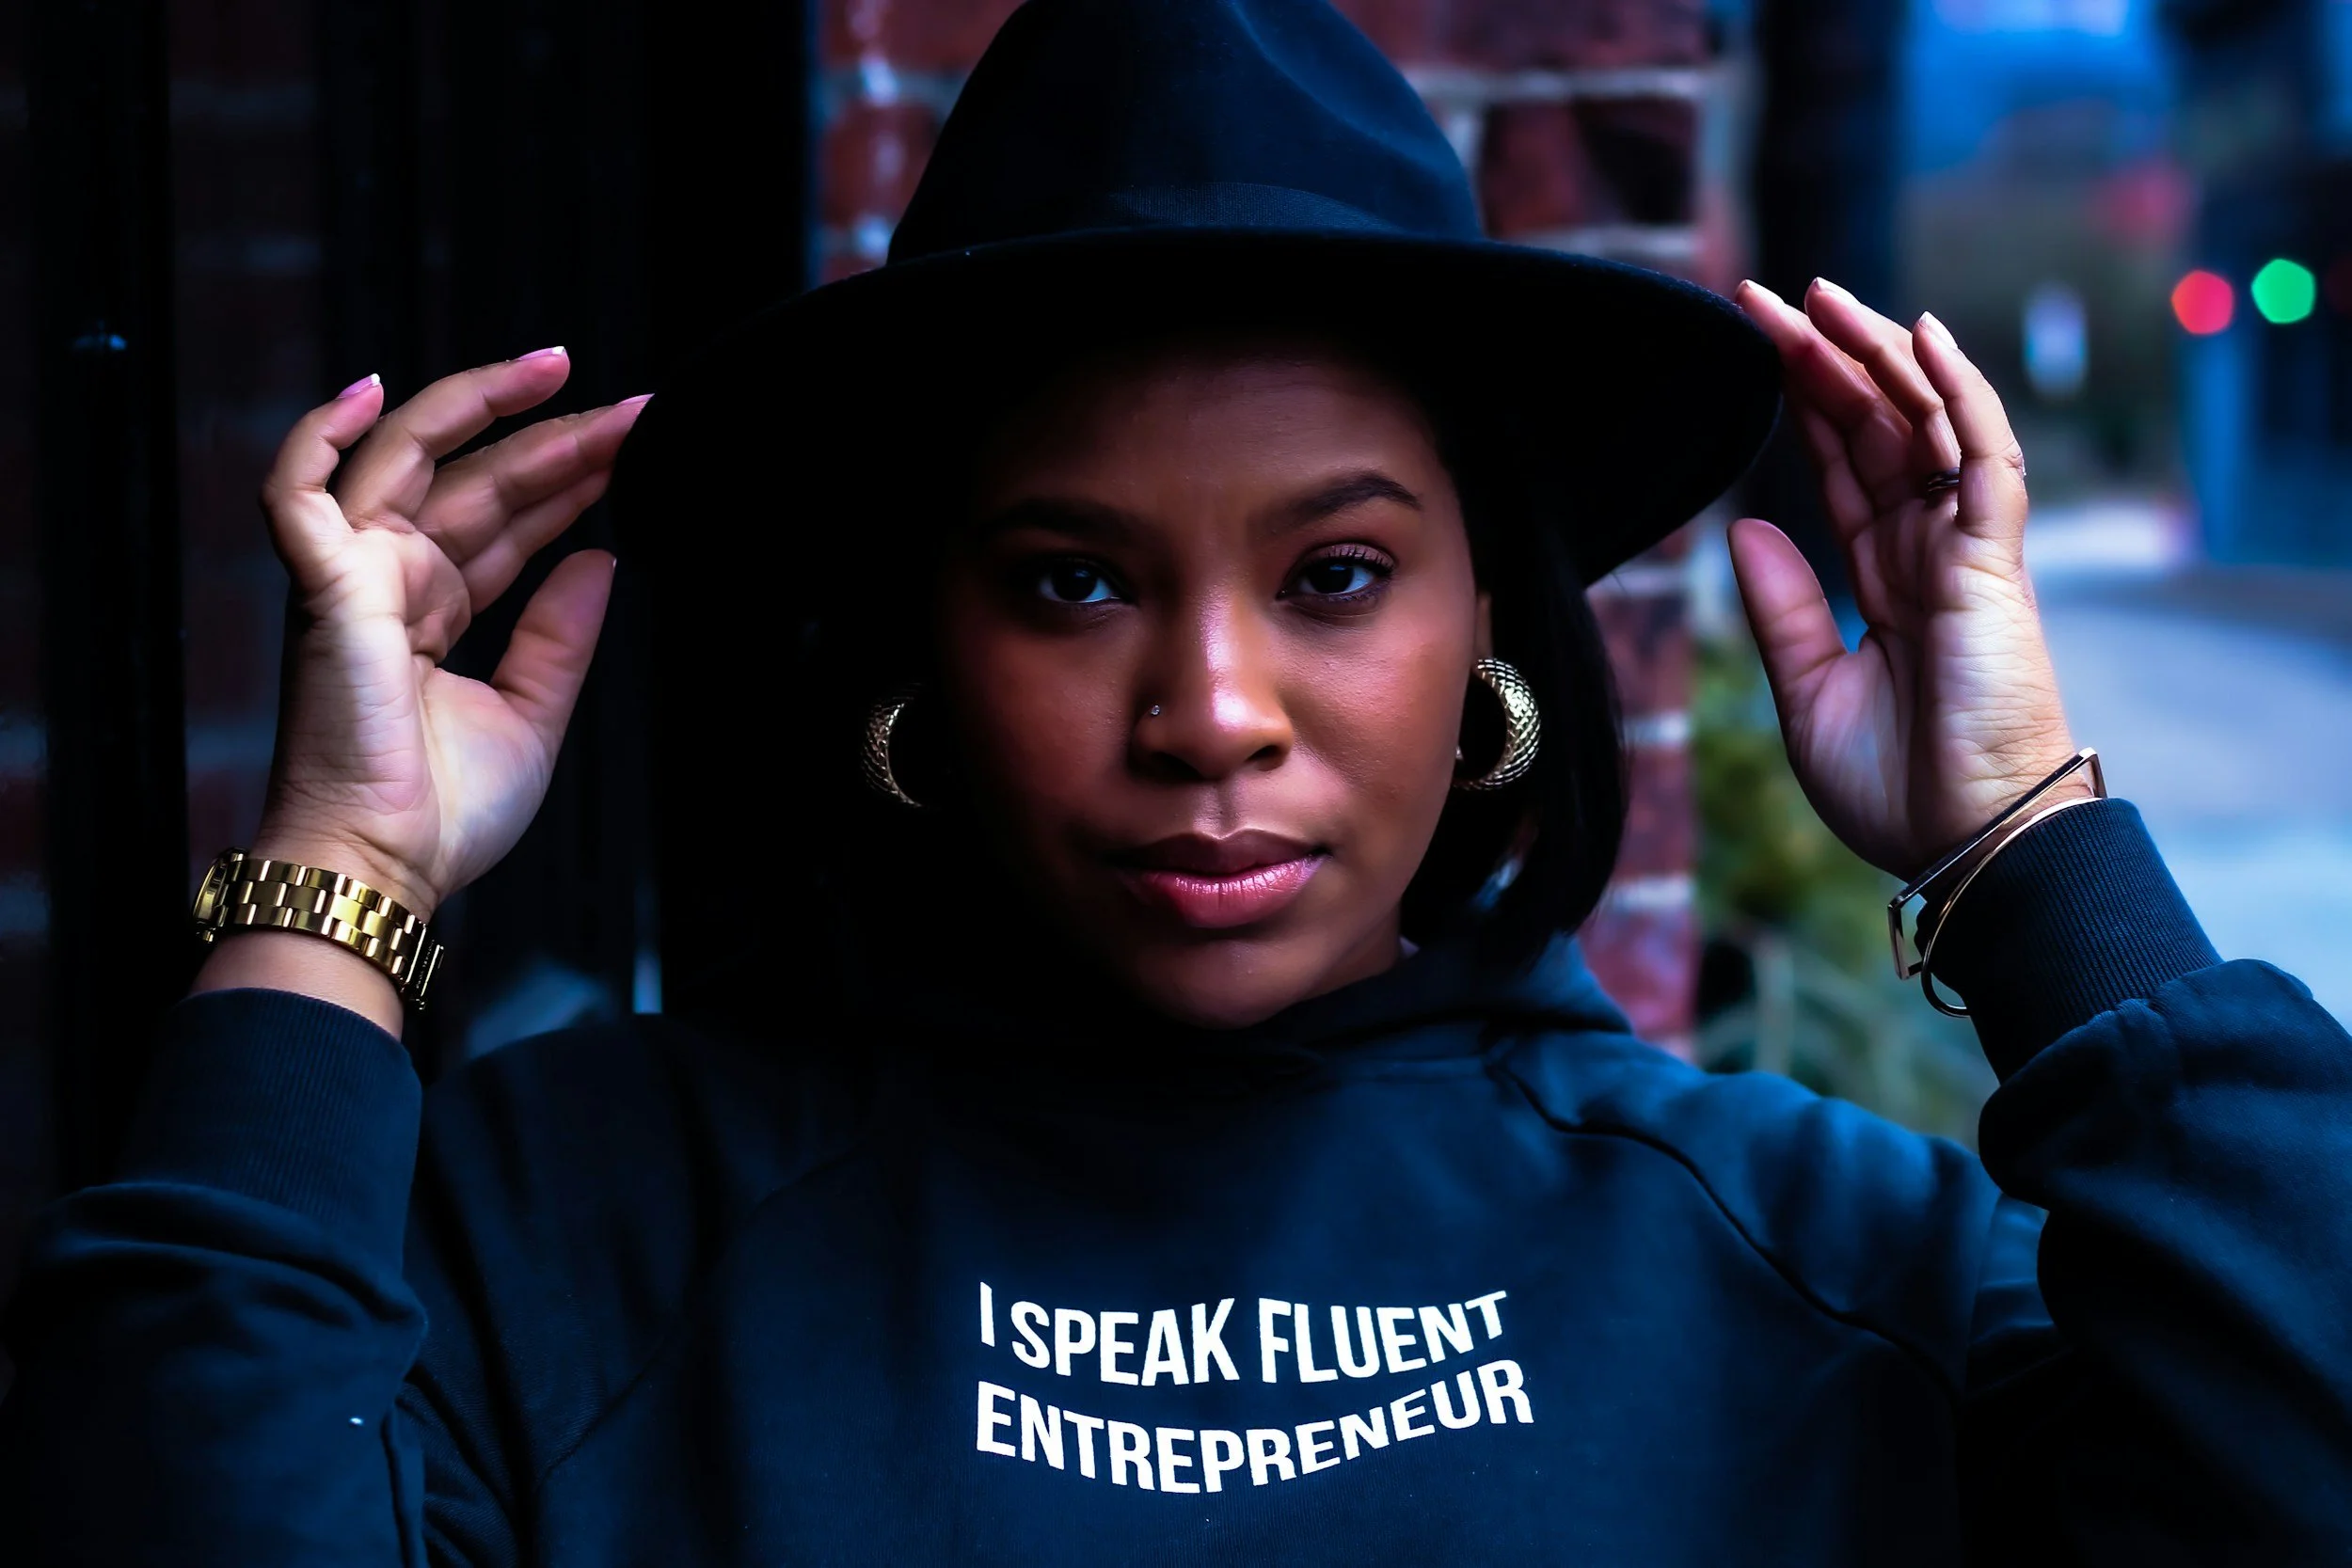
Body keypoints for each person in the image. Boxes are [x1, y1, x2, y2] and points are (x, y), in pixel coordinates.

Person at [6, 0, 2349, 1561]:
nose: (1208, 707)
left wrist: (2033, 841)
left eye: (1333, 572)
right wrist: (336, 876)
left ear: (1487, 641)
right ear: (915, 642)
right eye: (1064, 584)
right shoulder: (560, 1231)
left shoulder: (1822, 1264)